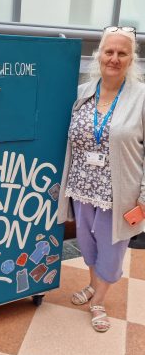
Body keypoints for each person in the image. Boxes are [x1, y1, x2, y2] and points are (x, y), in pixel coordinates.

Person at [58, 26, 145, 333]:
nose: (114, 58)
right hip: (82, 187)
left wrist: (143, 197)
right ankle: (93, 285)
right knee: (87, 243)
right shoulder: (85, 92)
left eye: (123, 53)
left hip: (119, 192)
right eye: (109, 51)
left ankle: (99, 300)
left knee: (112, 248)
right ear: (99, 55)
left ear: (131, 58)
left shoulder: (141, 97)